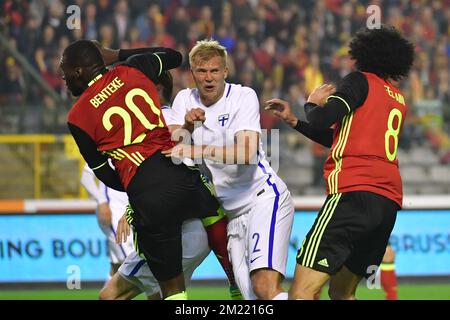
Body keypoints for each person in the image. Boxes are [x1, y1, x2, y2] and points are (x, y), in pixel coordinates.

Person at [61, 40, 220, 300]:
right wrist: (118, 55)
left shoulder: (76, 117)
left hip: (146, 195)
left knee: (169, 289)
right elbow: (175, 56)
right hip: (178, 174)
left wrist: (136, 185)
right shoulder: (134, 68)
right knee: (217, 217)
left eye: (65, 71)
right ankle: (237, 284)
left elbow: (102, 172)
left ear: (79, 71)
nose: (64, 79)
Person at [266, 25, 414, 299]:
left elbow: (321, 118)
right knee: (342, 294)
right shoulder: (397, 99)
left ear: (364, 54)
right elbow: (341, 137)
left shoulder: (359, 81)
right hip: (387, 202)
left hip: (352, 193)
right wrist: (293, 120)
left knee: (301, 293)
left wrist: (311, 104)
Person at [163, 39, 295, 300]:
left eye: (214, 70)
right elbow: (171, 148)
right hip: (231, 215)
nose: (208, 78)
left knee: (264, 287)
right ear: (192, 74)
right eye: (201, 71)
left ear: (226, 71)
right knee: (251, 297)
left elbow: (246, 154)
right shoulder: (184, 99)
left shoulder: (243, 96)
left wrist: (198, 150)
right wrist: (187, 128)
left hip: (262, 198)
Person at [80, 163, 134, 278]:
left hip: (132, 211)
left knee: (117, 267)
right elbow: (86, 177)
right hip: (113, 212)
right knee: (132, 262)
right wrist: (101, 202)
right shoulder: (107, 147)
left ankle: (109, 296)